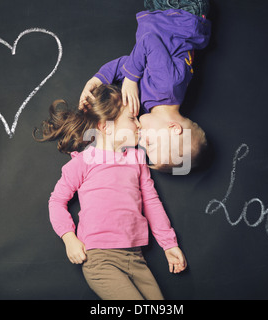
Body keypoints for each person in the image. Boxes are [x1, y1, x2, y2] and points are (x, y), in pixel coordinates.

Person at [34, 84, 187, 300]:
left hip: (136, 257)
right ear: (106, 127)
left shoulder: (137, 159)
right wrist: (69, 237)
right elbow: (56, 201)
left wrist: (169, 244)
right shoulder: (84, 162)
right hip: (100, 259)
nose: (139, 124)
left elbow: (152, 202)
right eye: (132, 118)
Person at [79, 0, 211, 174]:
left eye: (145, 147)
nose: (142, 142)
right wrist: (131, 80)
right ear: (173, 128)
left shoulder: (151, 103)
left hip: (164, 15)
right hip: (178, 8)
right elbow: (148, 40)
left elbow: (131, 62)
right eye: (150, 144)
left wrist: (98, 79)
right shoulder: (168, 86)